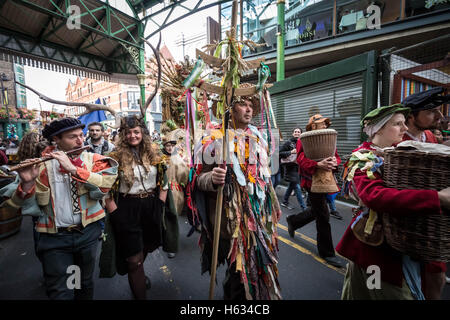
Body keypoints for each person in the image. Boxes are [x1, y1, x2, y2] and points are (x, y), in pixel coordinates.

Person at [336, 104, 450, 299]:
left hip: (404, 245)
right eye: (398, 124)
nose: (405, 129)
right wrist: (436, 198)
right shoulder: (363, 158)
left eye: (404, 123)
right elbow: (374, 196)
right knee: (375, 290)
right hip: (375, 250)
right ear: (378, 128)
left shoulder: (401, 153)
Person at [0, 118, 118, 300]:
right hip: (53, 238)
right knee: (59, 291)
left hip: (86, 235)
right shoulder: (40, 166)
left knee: (82, 283)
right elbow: (12, 207)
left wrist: (74, 169)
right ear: (57, 140)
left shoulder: (94, 160)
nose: (80, 141)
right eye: (73, 137)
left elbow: (103, 189)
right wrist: (27, 183)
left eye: (81, 135)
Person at [190, 85, 282, 300]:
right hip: (230, 220)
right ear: (230, 108)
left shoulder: (258, 138)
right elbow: (196, 180)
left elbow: (265, 178)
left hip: (258, 216)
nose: (248, 110)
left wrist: (274, 206)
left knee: (257, 267)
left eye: (251, 105)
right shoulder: (213, 139)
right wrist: (211, 179)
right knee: (238, 270)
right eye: (243, 104)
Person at [107, 115, 168, 300]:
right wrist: (115, 213)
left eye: (136, 132)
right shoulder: (114, 158)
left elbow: (165, 182)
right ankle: (138, 281)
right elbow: (105, 188)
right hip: (126, 207)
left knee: (147, 247)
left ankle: (139, 270)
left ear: (143, 133)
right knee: (134, 260)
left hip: (151, 205)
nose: (133, 136)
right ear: (123, 135)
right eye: (128, 133)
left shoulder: (155, 154)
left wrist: (160, 203)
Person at [401, 87, 450, 299]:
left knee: (436, 277)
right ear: (411, 116)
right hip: (406, 220)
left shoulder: (430, 135)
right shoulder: (396, 139)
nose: (438, 116)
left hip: (433, 218)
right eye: (431, 111)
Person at [286, 114, 344, 268]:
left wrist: (333, 162)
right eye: (322, 124)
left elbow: (336, 157)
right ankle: (327, 252)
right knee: (323, 215)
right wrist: (318, 165)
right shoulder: (302, 140)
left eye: (326, 124)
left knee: (318, 211)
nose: (325, 126)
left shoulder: (329, 139)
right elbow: (301, 160)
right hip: (311, 182)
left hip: (326, 180)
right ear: (312, 126)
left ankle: (293, 221)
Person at [160, 135, 183, 259]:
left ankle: (171, 245)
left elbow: (183, 174)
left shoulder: (178, 158)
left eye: (172, 145)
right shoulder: (160, 158)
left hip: (175, 192)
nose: (170, 148)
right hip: (162, 191)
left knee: (172, 218)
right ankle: (165, 240)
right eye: (167, 145)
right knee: (163, 216)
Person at [279, 127, 307, 212]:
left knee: (292, 186)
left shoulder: (302, 143)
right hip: (290, 168)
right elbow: (280, 153)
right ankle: (304, 207)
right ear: (293, 133)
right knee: (297, 187)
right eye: (295, 132)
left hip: (298, 168)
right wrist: (291, 152)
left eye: (299, 132)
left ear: (301, 134)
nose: (297, 133)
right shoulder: (288, 143)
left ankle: (285, 201)